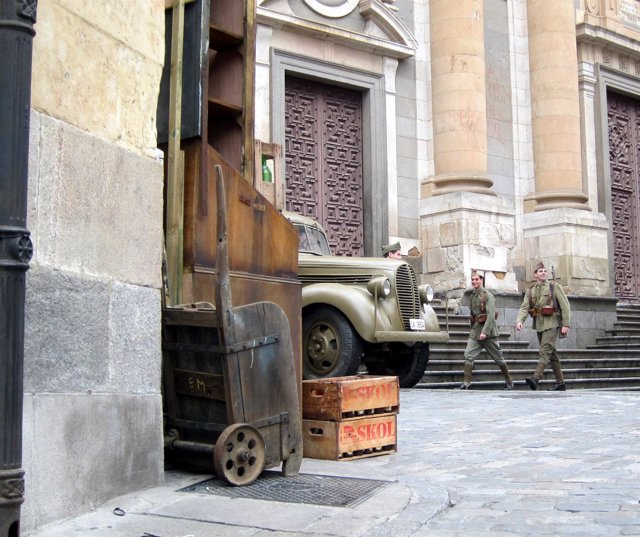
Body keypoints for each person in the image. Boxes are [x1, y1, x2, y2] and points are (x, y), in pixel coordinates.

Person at [515, 261, 571, 391]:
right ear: (535, 275)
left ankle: (535, 378)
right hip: (539, 324)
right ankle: (560, 383)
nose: (544, 273)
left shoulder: (554, 287)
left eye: (545, 271)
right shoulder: (531, 291)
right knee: (552, 354)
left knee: (545, 350)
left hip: (552, 323)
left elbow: (565, 305)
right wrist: (520, 321)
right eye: (540, 271)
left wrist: (566, 324)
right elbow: (524, 307)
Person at [460, 270, 513, 390]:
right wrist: (473, 329)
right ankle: (466, 383)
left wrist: (484, 332)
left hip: (488, 333)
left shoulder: (488, 295)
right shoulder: (473, 295)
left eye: (477, 279)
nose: (474, 282)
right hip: (475, 331)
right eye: (472, 280)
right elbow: (473, 315)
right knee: (468, 355)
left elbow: (490, 315)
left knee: (498, 357)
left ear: (481, 280)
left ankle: (509, 380)